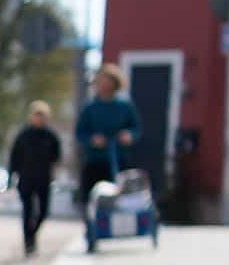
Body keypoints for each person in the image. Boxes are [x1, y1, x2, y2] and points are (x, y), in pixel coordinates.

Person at [74, 67, 143, 250]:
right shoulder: (90, 107)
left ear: (115, 83)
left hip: (118, 158)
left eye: (108, 81)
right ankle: (91, 232)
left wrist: (128, 135)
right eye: (101, 80)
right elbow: (80, 132)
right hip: (95, 159)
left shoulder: (124, 106)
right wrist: (92, 139)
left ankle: (121, 227)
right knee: (89, 197)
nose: (104, 84)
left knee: (122, 196)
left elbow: (136, 128)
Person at [8, 101, 63, 254]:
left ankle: (32, 233)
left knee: (43, 212)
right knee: (28, 210)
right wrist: (11, 175)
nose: (39, 119)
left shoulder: (50, 136)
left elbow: (56, 156)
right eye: (36, 116)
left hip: (44, 179)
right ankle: (28, 242)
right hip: (26, 178)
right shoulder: (23, 136)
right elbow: (14, 157)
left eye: (42, 116)